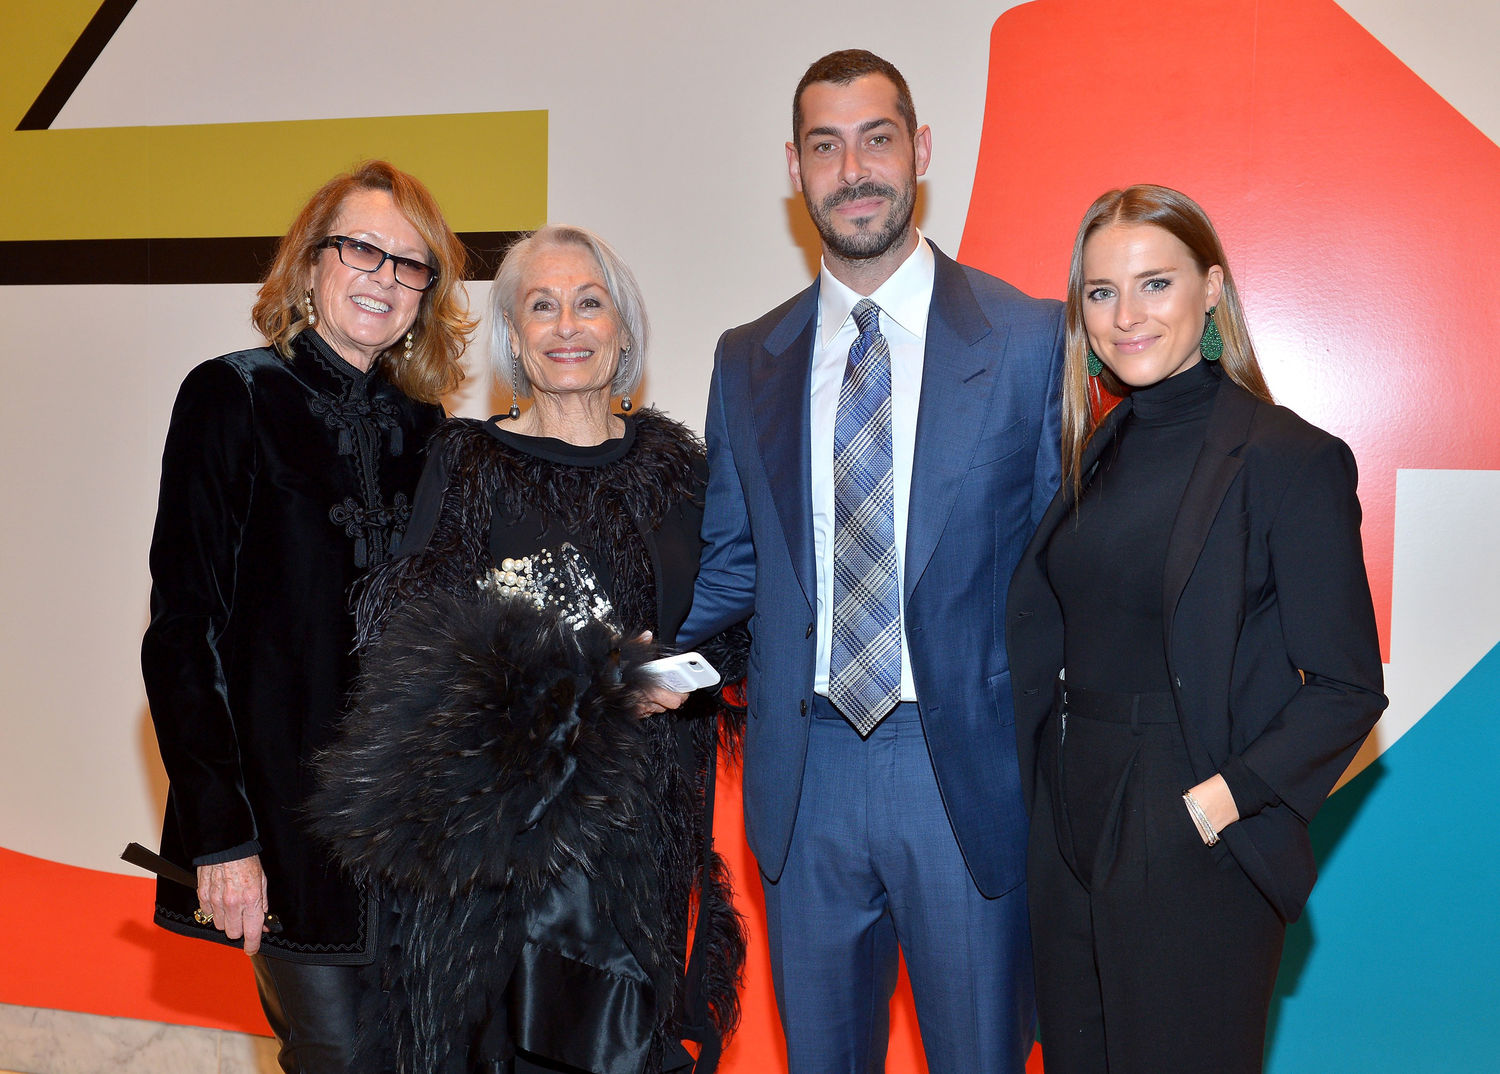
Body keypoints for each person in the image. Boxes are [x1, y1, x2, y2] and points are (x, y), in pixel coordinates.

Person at [679, 50, 1064, 1073]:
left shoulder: (1030, 339)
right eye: (825, 146)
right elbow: (729, 566)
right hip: (805, 781)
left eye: (876, 139)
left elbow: (1065, 572)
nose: (852, 170)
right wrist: (605, 666)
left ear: (921, 151)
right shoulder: (744, 355)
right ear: (795, 169)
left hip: (964, 778)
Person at [308, 225, 745, 1074]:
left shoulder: (676, 469)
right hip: (510, 867)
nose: (567, 326)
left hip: (648, 852)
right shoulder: (471, 462)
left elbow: (732, 622)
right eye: (541, 307)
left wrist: (690, 674)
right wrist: (591, 680)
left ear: (623, 330)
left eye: (589, 303)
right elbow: (416, 645)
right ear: (514, 336)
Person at [1006, 184, 1387, 1073]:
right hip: (1070, 813)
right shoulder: (1094, 447)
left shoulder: (1288, 458)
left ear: (1211, 289)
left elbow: (1346, 688)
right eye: (1100, 292)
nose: (1125, 316)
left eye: (1155, 284)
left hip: (1187, 819)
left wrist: (1219, 801)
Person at [141, 160, 473, 1073]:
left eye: (411, 265)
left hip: (415, 847)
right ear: (312, 262)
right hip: (281, 836)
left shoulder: (430, 430)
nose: (384, 276)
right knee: (337, 1054)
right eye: (362, 248)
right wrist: (223, 836)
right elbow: (183, 632)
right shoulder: (232, 396)